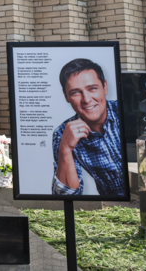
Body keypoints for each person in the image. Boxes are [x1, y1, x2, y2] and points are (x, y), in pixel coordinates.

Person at [52, 58, 124, 197]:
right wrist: (65, 149)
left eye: (92, 89)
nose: (86, 99)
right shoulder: (63, 133)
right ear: (66, 96)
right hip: (115, 206)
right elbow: (66, 197)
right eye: (75, 92)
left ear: (105, 87)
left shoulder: (125, 112)